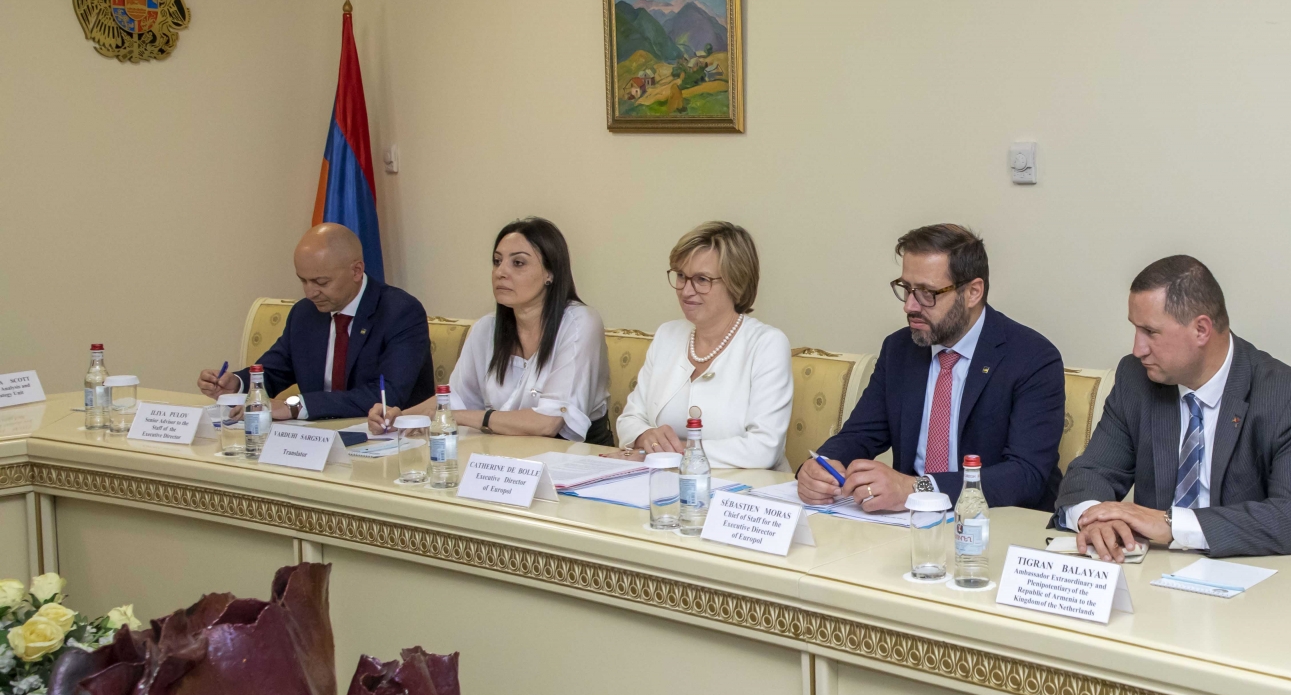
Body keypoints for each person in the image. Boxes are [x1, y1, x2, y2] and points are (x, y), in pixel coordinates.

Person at [1057, 255, 1291, 561]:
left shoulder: (1290, 396)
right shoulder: (1136, 378)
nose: (1138, 349)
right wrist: (1095, 519)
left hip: (1261, 576)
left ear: (1201, 329)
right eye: (1135, 329)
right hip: (1156, 573)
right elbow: (1090, 474)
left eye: (1150, 332)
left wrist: (1173, 525)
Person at [797, 224, 1064, 512]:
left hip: (997, 520)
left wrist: (917, 488)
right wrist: (820, 466)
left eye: (927, 293)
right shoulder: (899, 349)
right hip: (910, 522)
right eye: (906, 289)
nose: (910, 306)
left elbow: (1025, 475)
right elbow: (860, 435)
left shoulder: (1031, 357)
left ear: (973, 292)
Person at [370, 218, 611, 443]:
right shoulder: (486, 328)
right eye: (497, 261)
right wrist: (397, 418)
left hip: (571, 459)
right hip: (503, 455)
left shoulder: (580, 323)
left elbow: (549, 423)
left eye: (518, 263)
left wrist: (460, 417)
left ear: (550, 273)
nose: (500, 272)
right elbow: (457, 399)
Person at [198, 223, 431, 421]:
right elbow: (275, 370)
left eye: (321, 282)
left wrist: (295, 406)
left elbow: (387, 394)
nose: (310, 293)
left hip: (387, 438)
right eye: (303, 281)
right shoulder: (305, 313)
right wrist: (237, 384)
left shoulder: (400, 312)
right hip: (314, 437)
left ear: (356, 271)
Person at [613, 222, 793, 468]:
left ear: (736, 282)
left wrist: (675, 453)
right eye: (681, 276)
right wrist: (644, 437)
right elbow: (630, 418)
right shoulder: (667, 335)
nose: (686, 291)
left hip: (746, 487)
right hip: (664, 481)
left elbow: (764, 448)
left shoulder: (767, 344)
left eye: (701, 279)